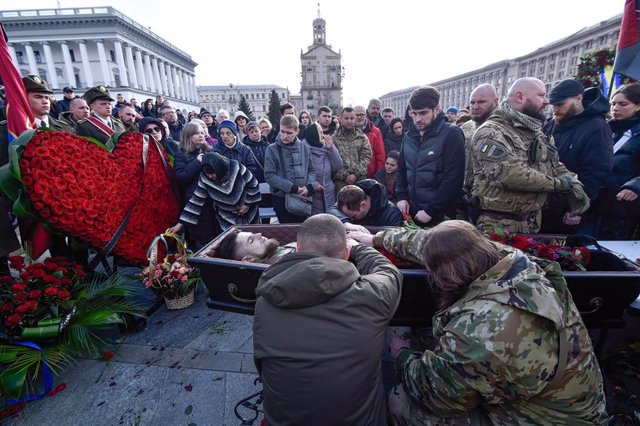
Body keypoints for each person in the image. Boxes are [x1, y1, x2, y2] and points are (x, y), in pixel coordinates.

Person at [350, 221, 608, 425]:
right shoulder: (510, 260)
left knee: (402, 402)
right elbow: (433, 242)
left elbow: (439, 394)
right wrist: (376, 239)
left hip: (546, 419)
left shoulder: (484, 331)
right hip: (567, 399)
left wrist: (402, 355)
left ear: (444, 275)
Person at [253, 214, 402, 425]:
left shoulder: (265, 303)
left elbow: (263, 367)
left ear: (297, 251)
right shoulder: (372, 296)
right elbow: (389, 271)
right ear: (346, 254)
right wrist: (358, 247)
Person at [471, 77, 589, 234]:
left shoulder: (536, 133)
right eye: (541, 95)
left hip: (530, 223)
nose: (547, 101)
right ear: (519, 97)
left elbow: (553, 163)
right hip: (497, 225)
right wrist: (559, 184)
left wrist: (574, 185)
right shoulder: (491, 132)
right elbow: (509, 173)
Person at [541, 79, 613, 235]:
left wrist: (577, 207)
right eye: (553, 105)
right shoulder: (551, 124)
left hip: (568, 211)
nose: (555, 109)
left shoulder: (598, 128)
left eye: (560, 104)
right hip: (543, 203)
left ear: (578, 98)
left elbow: (596, 173)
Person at [396, 85, 465, 227]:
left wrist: (431, 210)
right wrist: (401, 197)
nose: (417, 119)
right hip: (412, 214)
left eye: (423, 113)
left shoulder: (452, 134)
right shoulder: (409, 136)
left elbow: (454, 178)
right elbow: (402, 169)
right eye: (414, 114)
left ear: (437, 109)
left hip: (440, 217)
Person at [174, 152, 260, 245]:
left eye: (212, 173)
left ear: (219, 168)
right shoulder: (205, 179)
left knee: (253, 242)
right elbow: (196, 201)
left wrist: (247, 204)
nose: (210, 177)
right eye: (207, 174)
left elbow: (253, 184)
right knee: (233, 246)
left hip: (249, 214)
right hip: (227, 219)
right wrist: (180, 224)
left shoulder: (236, 167)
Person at [596, 82, 640, 240]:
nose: (615, 108)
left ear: (638, 106)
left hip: (624, 208)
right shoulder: (607, 129)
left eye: (623, 104)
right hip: (597, 201)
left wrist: (635, 186)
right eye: (613, 104)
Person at [264, 115, 316, 223]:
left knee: (302, 231)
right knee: (287, 231)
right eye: (282, 131)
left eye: (289, 133)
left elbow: (311, 170)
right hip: (281, 198)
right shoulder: (272, 149)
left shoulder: (304, 147)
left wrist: (309, 186)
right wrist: (292, 188)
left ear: (297, 131)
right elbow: (269, 175)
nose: (284, 136)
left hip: (302, 198)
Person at [303, 122, 343, 214]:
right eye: (320, 132)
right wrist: (314, 185)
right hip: (313, 193)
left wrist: (331, 148)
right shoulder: (304, 150)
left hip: (328, 192)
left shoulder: (325, 148)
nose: (323, 135)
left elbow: (338, 165)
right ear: (313, 134)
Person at [329, 179, 403, 226]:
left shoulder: (392, 215)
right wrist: (346, 224)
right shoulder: (350, 202)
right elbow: (332, 210)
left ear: (363, 205)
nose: (351, 219)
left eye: (353, 217)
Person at [332, 107, 372, 192]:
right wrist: (345, 176)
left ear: (355, 119)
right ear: (341, 119)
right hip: (340, 182)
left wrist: (355, 175)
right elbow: (332, 160)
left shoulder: (362, 137)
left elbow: (366, 157)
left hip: (359, 181)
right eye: (346, 118)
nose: (349, 121)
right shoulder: (334, 138)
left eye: (352, 118)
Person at [355, 105, 385, 178]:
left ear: (366, 115)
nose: (359, 117)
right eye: (357, 115)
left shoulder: (375, 132)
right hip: (353, 176)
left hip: (370, 175)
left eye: (362, 115)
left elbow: (380, 155)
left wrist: (378, 175)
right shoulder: (348, 131)